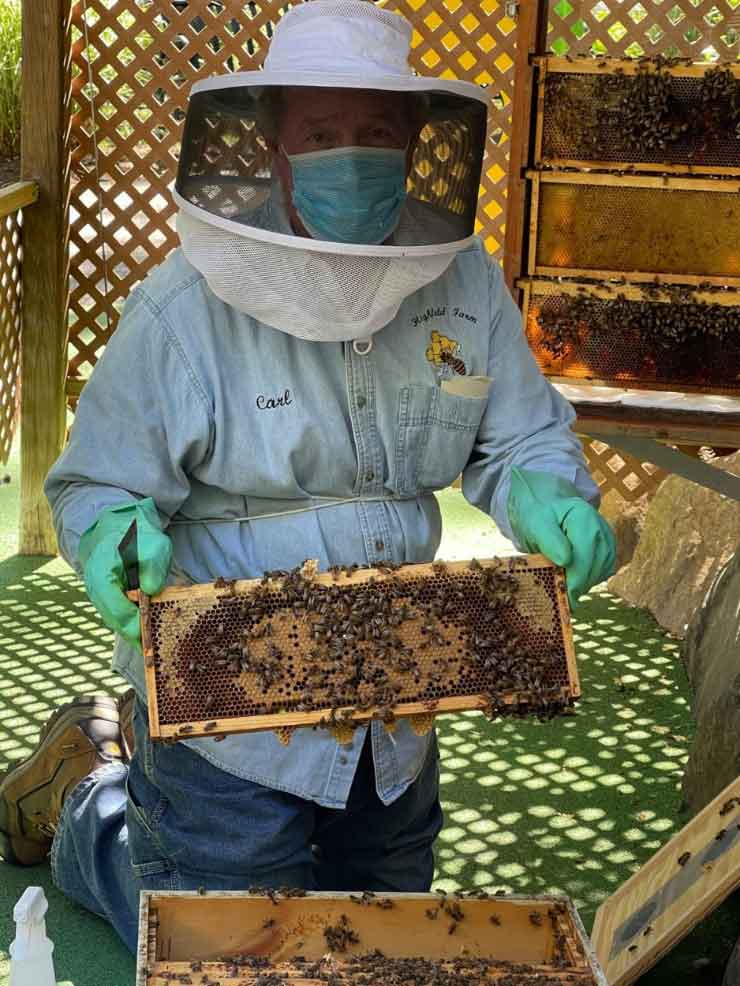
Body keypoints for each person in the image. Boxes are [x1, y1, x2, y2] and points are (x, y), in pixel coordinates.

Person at [0, 0, 615, 953]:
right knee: (229, 939)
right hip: (223, 731)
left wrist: (545, 486)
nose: (351, 155)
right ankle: (92, 810)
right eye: (320, 135)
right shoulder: (183, 307)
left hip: (399, 717)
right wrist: (115, 532)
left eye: (375, 133)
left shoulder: (462, 277)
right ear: (276, 150)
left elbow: (516, 437)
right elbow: (95, 484)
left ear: (418, 141)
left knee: (382, 929)